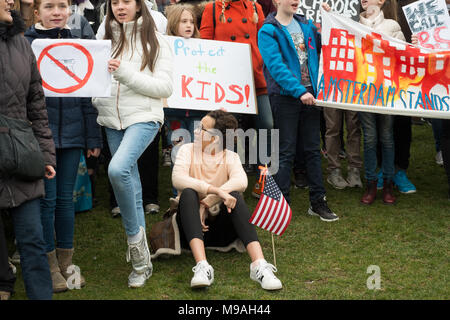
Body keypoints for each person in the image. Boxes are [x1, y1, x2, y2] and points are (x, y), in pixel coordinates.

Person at [92, 0, 173, 288]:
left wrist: (124, 72)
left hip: (145, 118)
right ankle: (141, 262)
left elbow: (165, 88)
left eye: (127, 1)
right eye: (115, 1)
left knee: (116, 170)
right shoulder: (102, 39)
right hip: (111, 121)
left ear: (140, 6)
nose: (120, 6)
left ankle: (135, 245)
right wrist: (96, 98)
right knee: (131, 184)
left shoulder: (157, 41)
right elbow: (92, 80)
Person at [24, 0, 103, 293]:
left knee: (65, 201)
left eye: (61, 6)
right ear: (37, 13)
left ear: (70, 10)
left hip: (72, 134)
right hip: (39, 135)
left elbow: (87, 92)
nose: (56, 12)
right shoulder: (26, 44)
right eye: (49, 6)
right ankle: (48, 266)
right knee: (46, 200)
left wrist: (92, 136)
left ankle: (66, 262)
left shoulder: (78, 42)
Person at [172, 110, 282, 290]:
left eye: (202, 128)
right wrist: (216, 191)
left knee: (235, 195)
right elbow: (178, 179)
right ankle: (202, 266)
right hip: (188, 229)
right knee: (188, 193)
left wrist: (207, 202)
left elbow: (241, 182)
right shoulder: (186, 149)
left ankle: (259, 265)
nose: (196, 130)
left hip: (221, 230)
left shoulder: (231, 157)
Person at [258, 0, 338, 221]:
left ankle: (318, 202)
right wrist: (298, 91)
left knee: (313, 149)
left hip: (311, 96)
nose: (296, 1)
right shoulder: (268, 31)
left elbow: (329, 46)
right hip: (286, 98)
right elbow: (276, 67)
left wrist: (330, 21)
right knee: (286, 151)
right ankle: (281, 206)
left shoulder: (307, 26)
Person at [0, 1, 56, 300]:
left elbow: (36, 103)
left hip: (23, 154)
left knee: (33, 238)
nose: (11, 1)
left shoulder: (22, 44)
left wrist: (45, 154)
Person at [325, 0, 405, 205]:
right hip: (363, 93)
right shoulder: (352, 24)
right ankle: (371, 183)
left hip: (387, 93)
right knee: (369, 138)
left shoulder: (392, 25)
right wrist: (328, 14)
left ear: (381, 1)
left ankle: (387, 185)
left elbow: (404, 54)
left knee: (387, 138)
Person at [200, 0, 274, 198]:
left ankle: (264, 177)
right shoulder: (212, 9)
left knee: (267, 124)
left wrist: (260, 63)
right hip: (226, 82)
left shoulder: (255, 7)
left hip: (254, 77)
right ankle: (223, 179)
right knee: (225, 129)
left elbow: (263, 41)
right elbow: (204, 46)